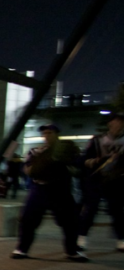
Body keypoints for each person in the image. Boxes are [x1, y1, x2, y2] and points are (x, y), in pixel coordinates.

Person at [12, 124, 88, 262]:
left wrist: (65, 163)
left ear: (56, 134)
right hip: (39, 188)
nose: (47, 135)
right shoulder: (36, 151)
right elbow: (27, 169)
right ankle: (22, 249)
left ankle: (72, 251)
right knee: (28, 219)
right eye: (45, 133)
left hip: (60, 189)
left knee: (70, 221)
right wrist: (41, 165)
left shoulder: (66, 149)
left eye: (50, 132)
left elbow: (77, 169)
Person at [78, 111, 124, 252]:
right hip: (96, 180)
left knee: (117, 210)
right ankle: (81, 237)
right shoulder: (97, 140)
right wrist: (98, 161)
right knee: (91, 209)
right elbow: (84, 160)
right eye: (118, 121)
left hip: (116, 180)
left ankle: (121, 239)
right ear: (110, 123)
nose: (121, 124)